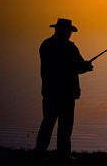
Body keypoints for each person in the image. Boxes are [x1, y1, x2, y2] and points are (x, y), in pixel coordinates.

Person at [35, 18, 93, 161]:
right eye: (69, 32)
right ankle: (63, 156)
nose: (70, 34)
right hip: (66, 93)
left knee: (47, 122)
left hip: (49, 92)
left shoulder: (46, 45)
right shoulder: (70, 48)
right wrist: (86, 67)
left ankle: (39, 153)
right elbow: (76, 67)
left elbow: (60, 67)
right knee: (65, 126)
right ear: (65, 31)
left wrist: (81, 66)